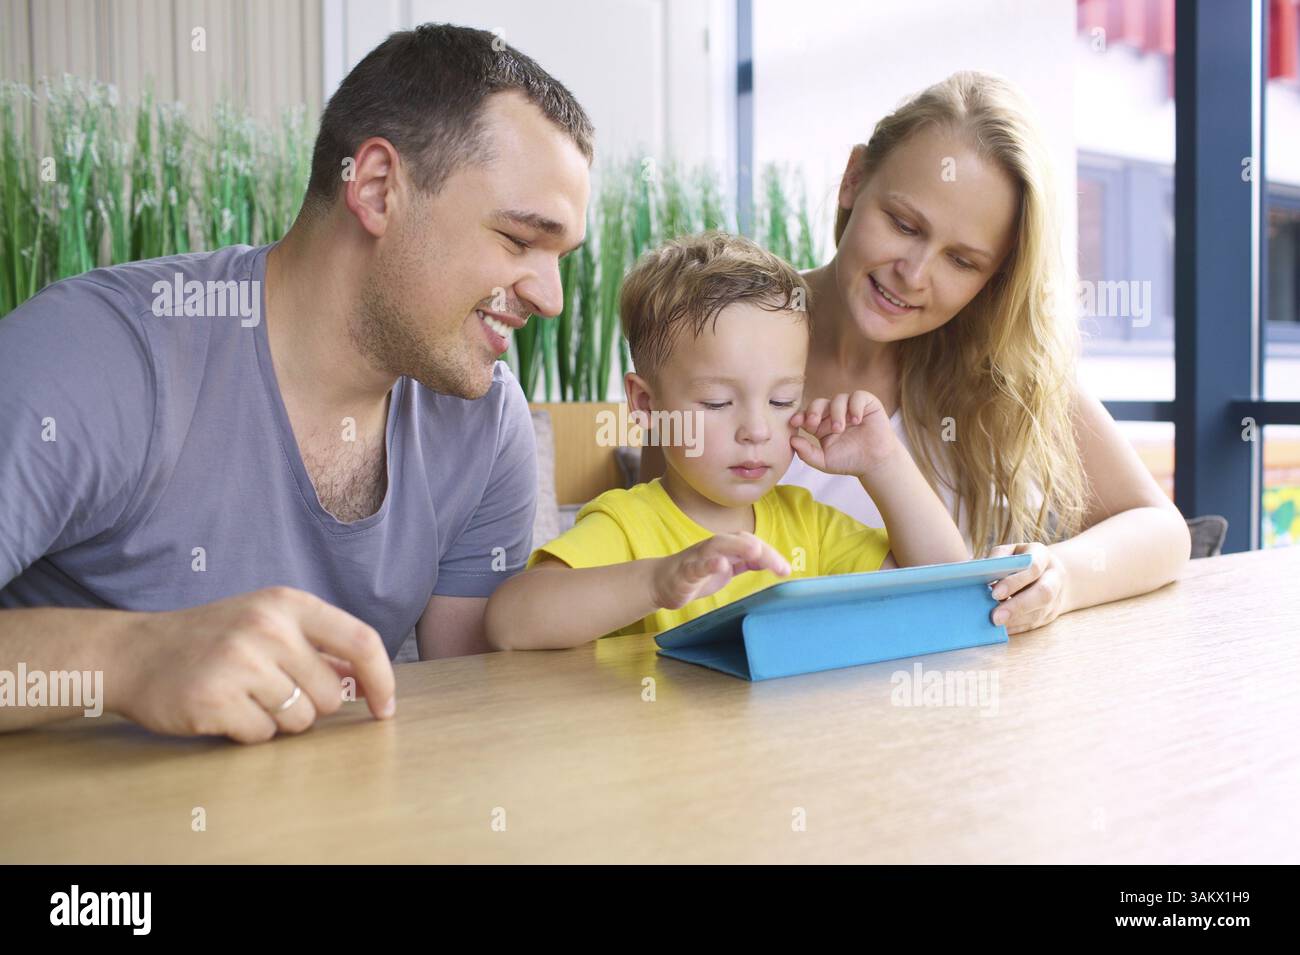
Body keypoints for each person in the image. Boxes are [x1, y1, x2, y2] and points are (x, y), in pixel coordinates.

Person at [0, 24, 592, 742]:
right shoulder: (97, 354)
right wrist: (125, 657)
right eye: (520, 240)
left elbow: (460, 711)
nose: (552, 298)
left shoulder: (485, 425)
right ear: (376, 188)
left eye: (561, 255)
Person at [641, 71, 1191, 635]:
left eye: (963, 261)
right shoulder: (728, 337)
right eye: (904, 225)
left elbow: (1162, 531)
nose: (914, 275)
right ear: (854, 180)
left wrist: (1063, 578)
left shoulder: (1000, 371)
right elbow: (651, 541)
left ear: (994, 279)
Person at [485, 232, 968, 649]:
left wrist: (884, 463)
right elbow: (510, 622)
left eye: (782, 402)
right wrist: (657, 581)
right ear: (648, 406)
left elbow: (947, 586)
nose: (757, 430)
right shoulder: (629, 527)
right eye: (717, 403)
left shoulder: (810, 527)